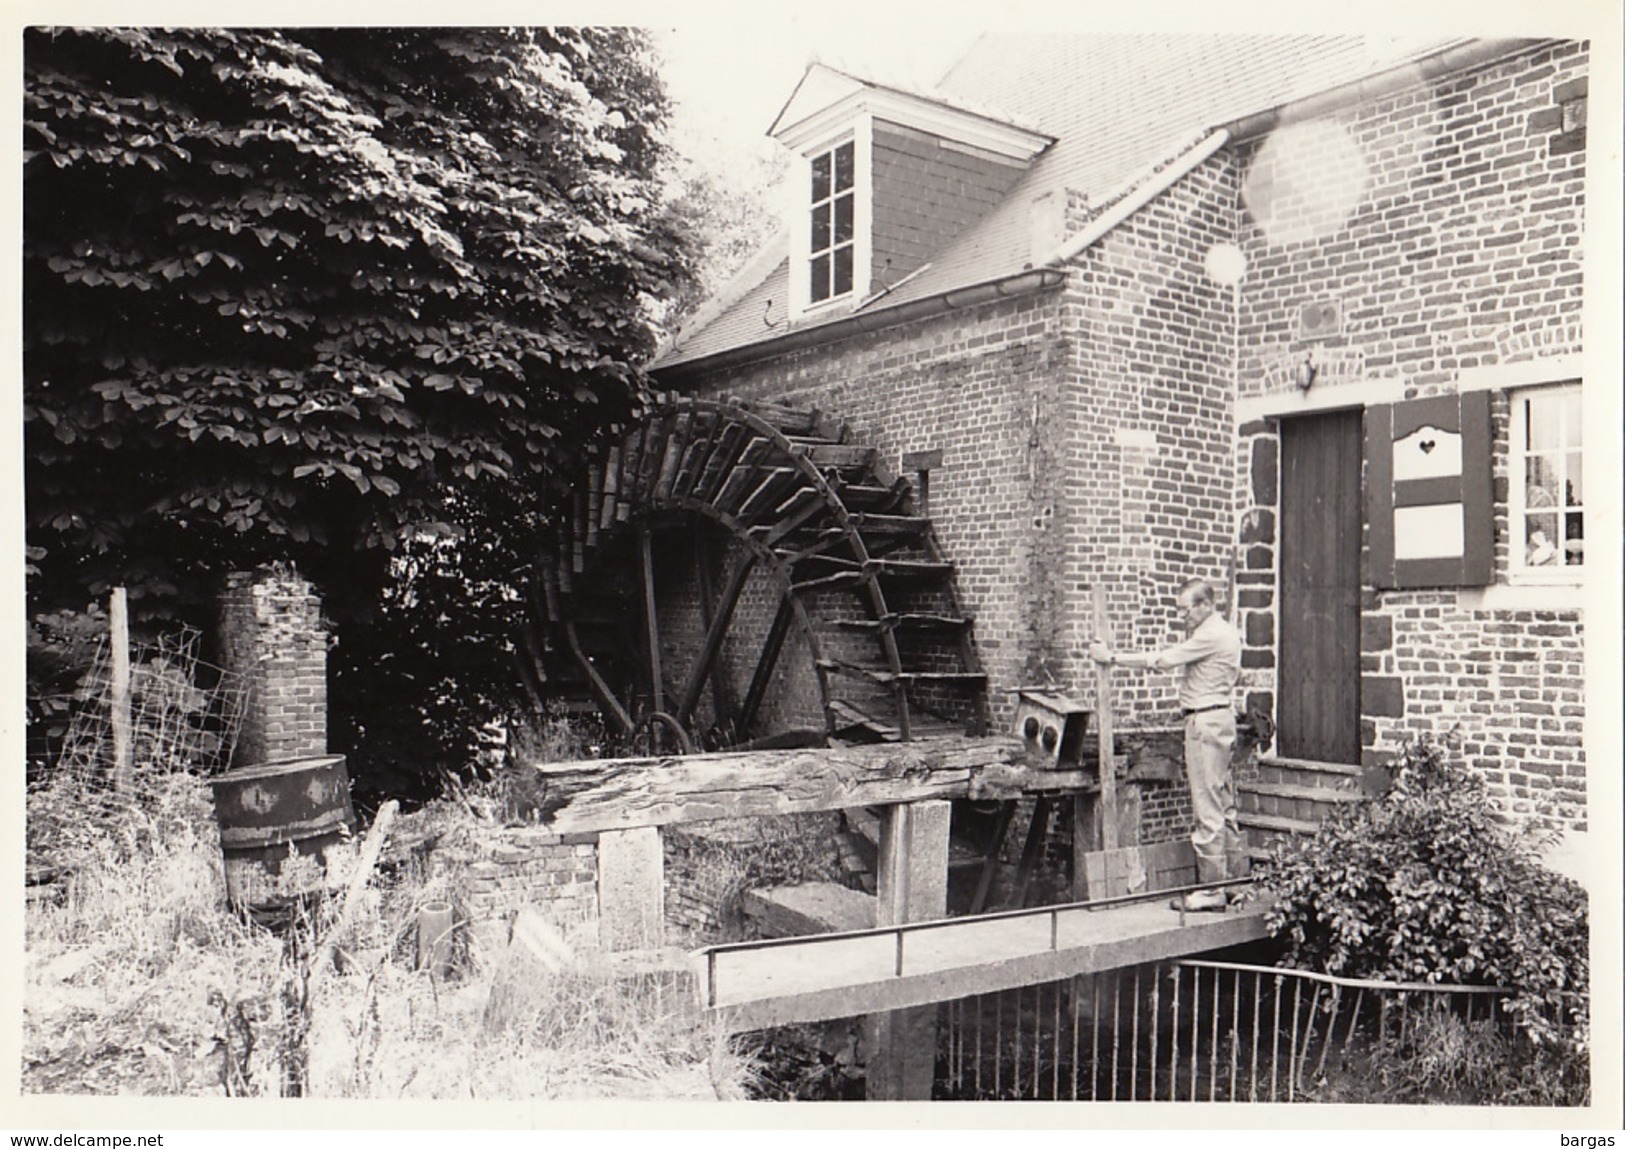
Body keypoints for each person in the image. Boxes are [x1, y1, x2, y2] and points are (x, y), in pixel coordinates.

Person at [1088, 577, 1243, 912]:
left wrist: (1111, 657)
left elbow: (1164, 660)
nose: (1182, 616)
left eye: (1186, 609)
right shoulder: (1226, 630)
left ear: (1205, 605)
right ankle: (1235, 882)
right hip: (1221, 720)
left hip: (1204, 722)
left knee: (1207, 805)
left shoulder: (1211, 634)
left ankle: (1213, 889)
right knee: (1224, 802)